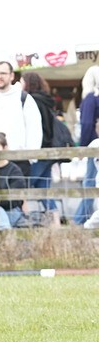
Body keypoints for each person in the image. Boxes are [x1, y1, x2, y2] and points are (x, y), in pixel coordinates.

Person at [0, 61, 42, 176]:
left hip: (18, 159)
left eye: (3, 73)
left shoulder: (24, 98)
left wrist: (30, 157)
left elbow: (34, 128)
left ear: (11, 76)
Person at [18, 71, 59, 214]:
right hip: (50, 148)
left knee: (23, 184)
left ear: (27, 83)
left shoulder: (31, 101)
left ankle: (23, 215)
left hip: (39, 149)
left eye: (21, 81)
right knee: (43, 187)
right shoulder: (47, 100)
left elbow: (34, 128)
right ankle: (55, 217)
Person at [76, 66, 99, 225]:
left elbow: (86, 123)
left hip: (94, 145)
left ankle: (80, 218)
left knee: (89, 182)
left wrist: (83, 147)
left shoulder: (91, 99)